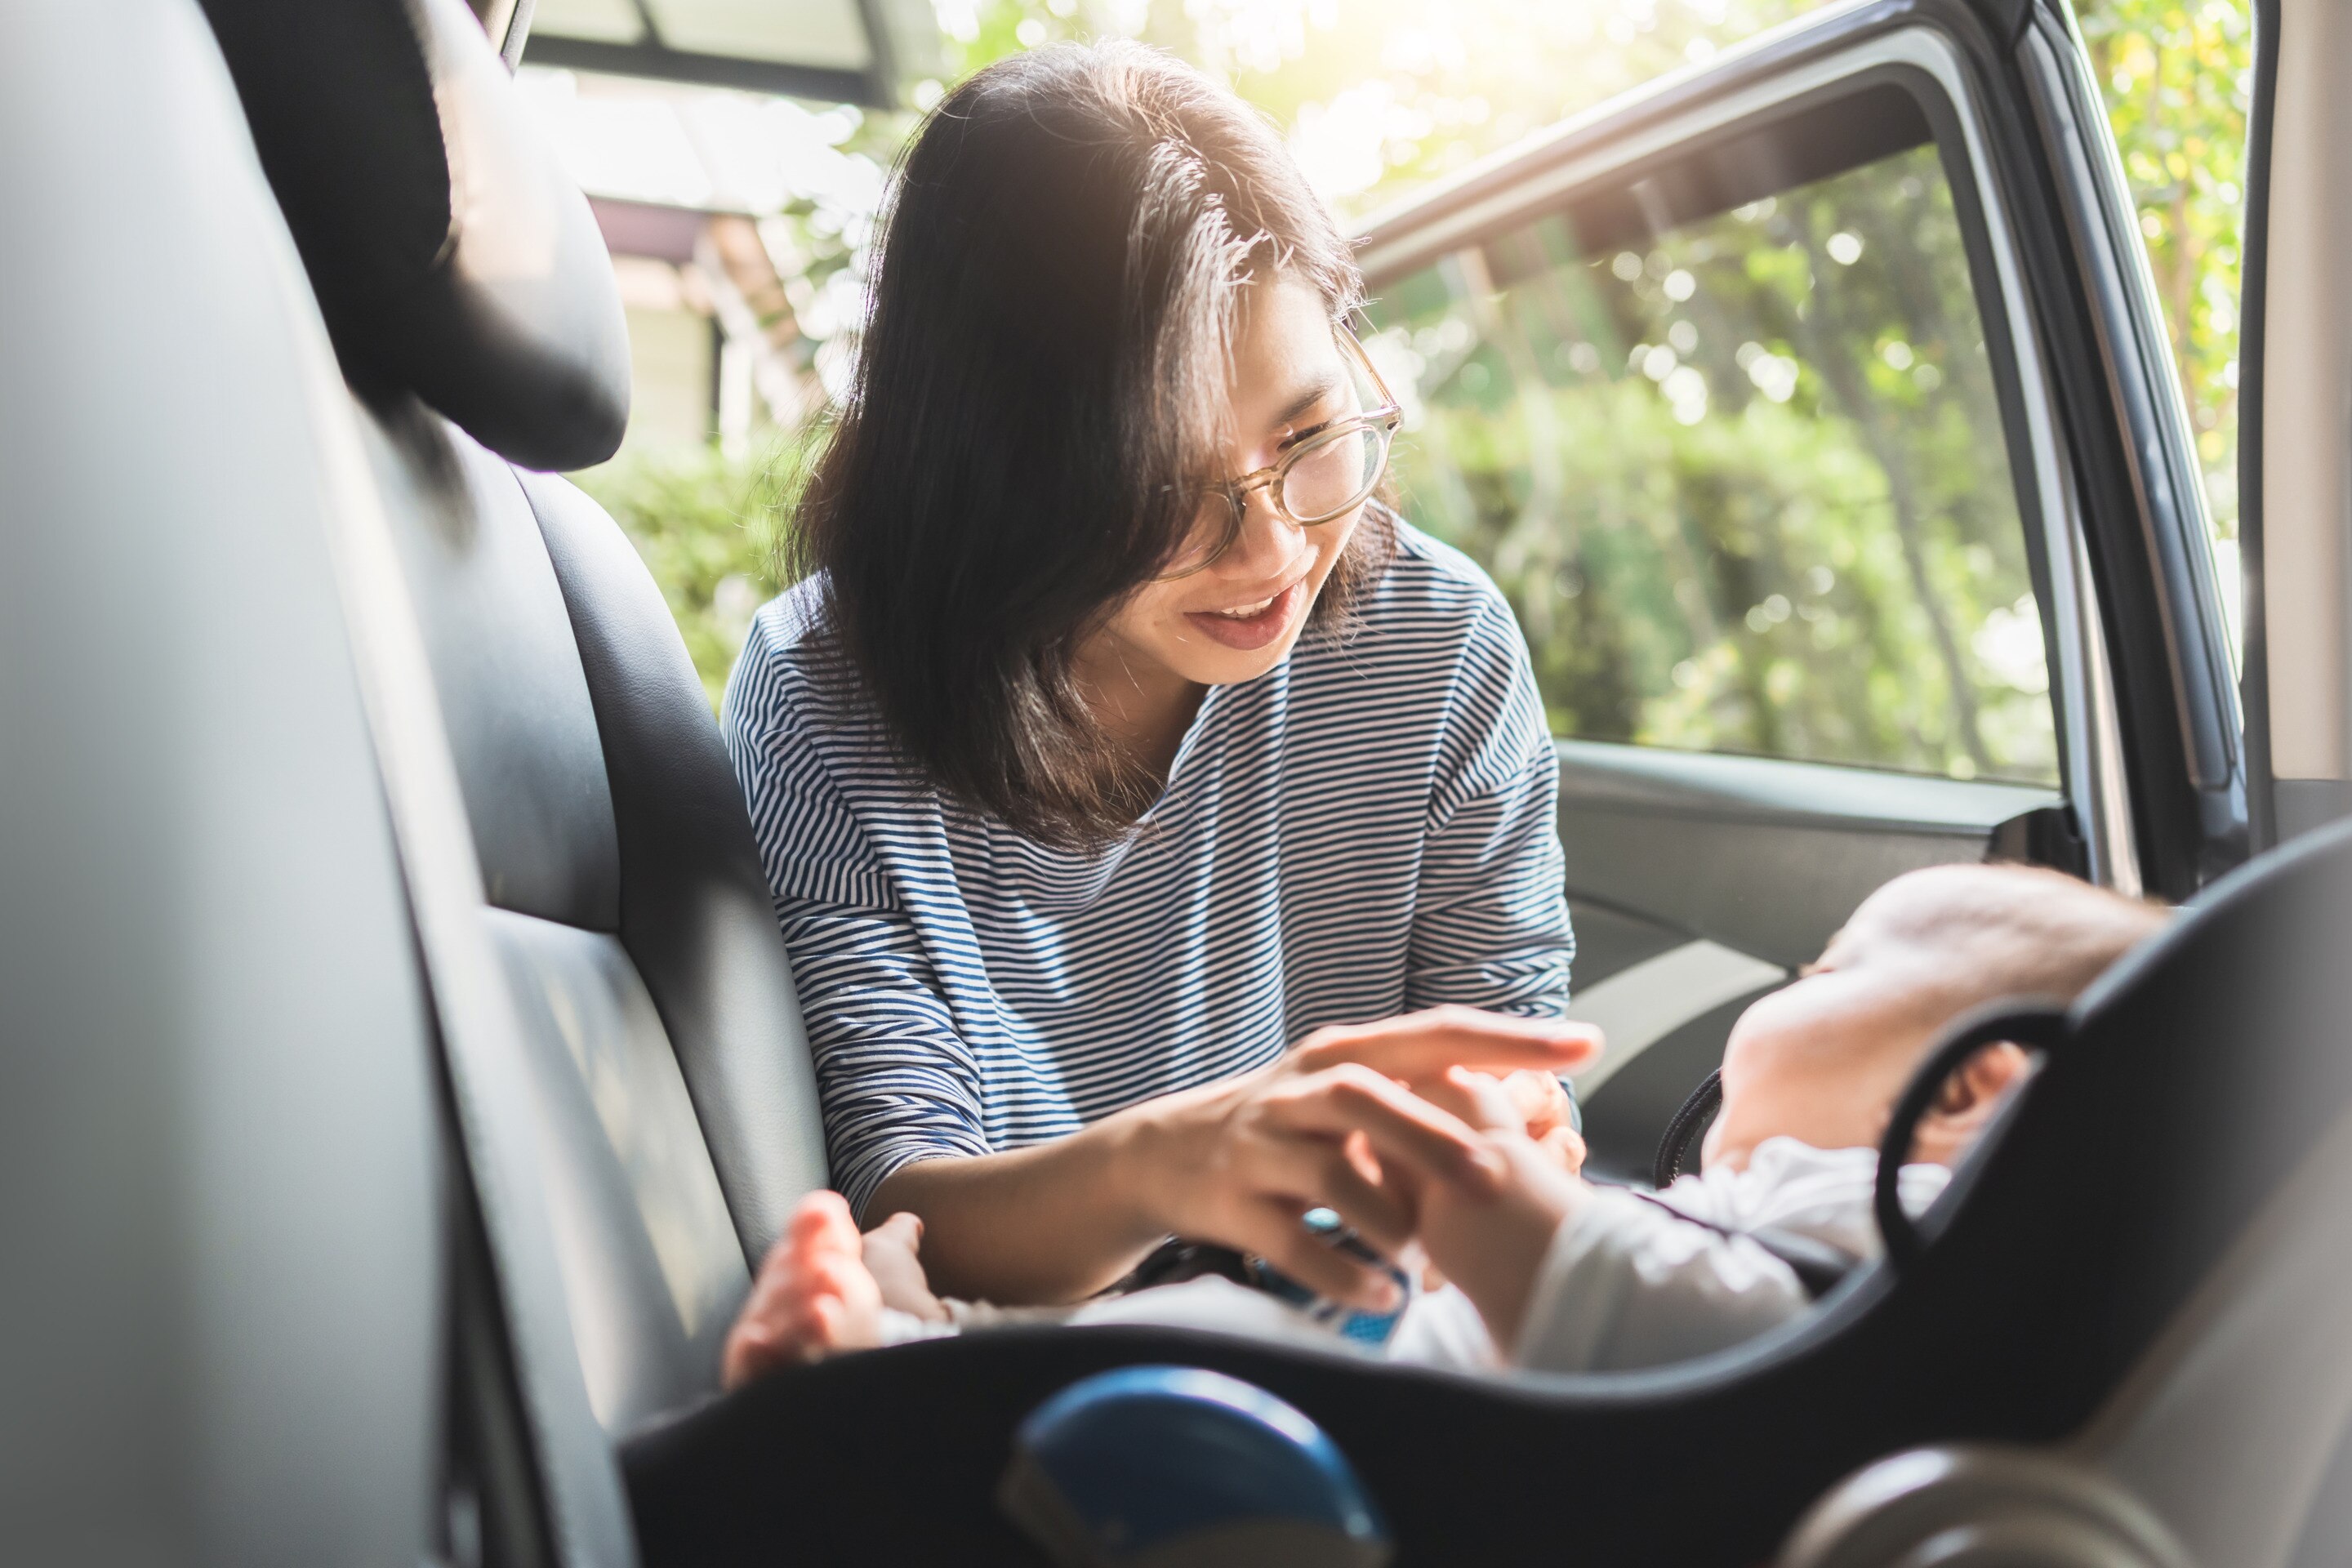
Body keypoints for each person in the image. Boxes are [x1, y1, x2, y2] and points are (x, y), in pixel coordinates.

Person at [720, 34, 1584, 1323]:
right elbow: (901, 1202)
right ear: (997, 479)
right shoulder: (822, 699)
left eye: (1310, 436)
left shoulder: (1439, 643)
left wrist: (1511, 1128)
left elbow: (1516, 1062)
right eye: (1161, 491)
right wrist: (1173, 1169)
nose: (1273, 549)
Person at [719, 864, 2167, 1385]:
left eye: (1832, 973)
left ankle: (882, 1390)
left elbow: (1726, 1350)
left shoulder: (1904, 1238)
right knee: (1217, 1335)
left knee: (1201, 1374)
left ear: (1975, 1083)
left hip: (1427, 1479)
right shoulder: (1851, 1221)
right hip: (1426, 1404)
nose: (1792, 983)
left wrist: (1483, 1193)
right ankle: (909, 1364)